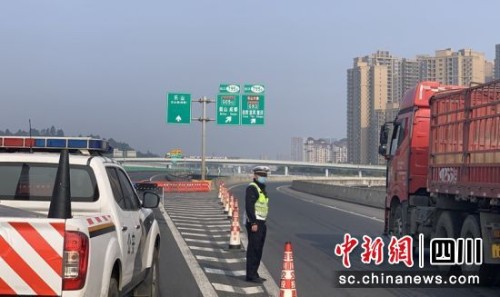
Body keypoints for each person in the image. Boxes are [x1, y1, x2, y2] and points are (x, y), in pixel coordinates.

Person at [245, 165, 270, 283]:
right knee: (253, 249)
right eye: (261, 175)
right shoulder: (252, 188)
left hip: (261, 223)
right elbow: (249, 206)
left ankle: (255, 273)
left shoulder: (262, 188)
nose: (264, 177)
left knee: (258, 249)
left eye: (265, 175)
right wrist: (253, 222)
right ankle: (250, 275)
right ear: (255, 176)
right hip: (254, 223)